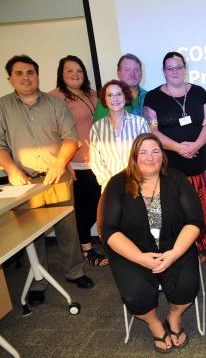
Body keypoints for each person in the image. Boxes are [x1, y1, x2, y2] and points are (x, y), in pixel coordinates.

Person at [0, 55, 94, 306]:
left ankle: (75, 271)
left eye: (30, 72)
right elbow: (0, 144)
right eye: (19, 73)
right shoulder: (3, 107)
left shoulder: (55, 103)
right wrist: (10, 169)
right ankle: (39, 280)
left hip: (57, 175)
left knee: (67, 228)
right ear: (10, 78)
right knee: (31, 234)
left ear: (38, 75)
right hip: (23, 181)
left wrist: (58, 164)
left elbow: (70, 137)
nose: (26, 77)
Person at [101, 133, 203, 352]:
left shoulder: (176, 179)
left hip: (174, 247)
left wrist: (175, 253)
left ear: (162, 156)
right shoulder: (118, 183)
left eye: (155, 151)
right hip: (132, 251)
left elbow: (194, 221)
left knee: (187, 287)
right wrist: (139, 258)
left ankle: (174, 317)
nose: (150, 157)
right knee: (136, 295)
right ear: (134, 157)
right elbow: (108, 230)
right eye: (143, 152)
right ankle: (154, 323)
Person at [144, 51, 206, 258]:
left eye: (178, 67)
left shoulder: (199, 92)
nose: (174, 71)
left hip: (196, 162)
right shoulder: (153, 97)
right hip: (169, 166)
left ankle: (202, 246)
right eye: (170, 68)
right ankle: (181, 249)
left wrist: (196, 145)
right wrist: (179, 148)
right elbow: (152, 131)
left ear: (185, 68)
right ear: (164, 71)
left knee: (199, 207)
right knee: (175, 209)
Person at [49, 55, 107, 267]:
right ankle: (86, 250)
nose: (75, 75)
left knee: (98, 206)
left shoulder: (93, 95)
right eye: (69, 71)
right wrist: (64, 163)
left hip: (99, 161)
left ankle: (88, 244)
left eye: (79, 71)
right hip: (76, 164)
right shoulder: (55, 98)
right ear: (61, 74)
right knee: (84, 208)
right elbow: (52, 133)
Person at [90, 79, 149, 191]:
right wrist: (111, 182)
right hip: (109, 186)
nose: (114, 99)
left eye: (118, 94)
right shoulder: (97, 128)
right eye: (110, 95)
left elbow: (146, 155)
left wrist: (135, 179)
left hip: (138, 184)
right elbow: (95, 161)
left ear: (125, 97)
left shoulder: (140, 123)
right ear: (105, 100)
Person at [93, 53, 147, 122]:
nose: (133, 74)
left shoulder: (149, 96)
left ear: (141, 73)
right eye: (127, 70)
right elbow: (100, 129)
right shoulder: (107, 98)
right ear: (118, 73)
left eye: (136, 70)